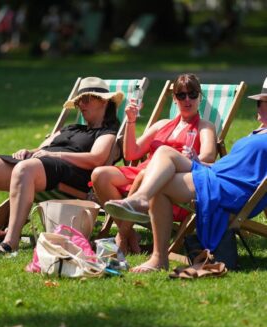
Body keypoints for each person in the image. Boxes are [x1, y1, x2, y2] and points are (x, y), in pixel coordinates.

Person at [104, 77, 267, 273]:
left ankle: (140, 200)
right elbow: (131, 153)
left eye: (263, 103)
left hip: (231, 187)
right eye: (260, 102)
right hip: (216, 175)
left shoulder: (205, 126)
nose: (259, 107)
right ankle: (159, 258)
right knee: (160, 179)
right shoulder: (258, 132)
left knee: (164, 153)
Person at [0, 77, 124, 255]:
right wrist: (29, 151)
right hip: (40, 166)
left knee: (25, 169)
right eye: (78, 101)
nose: (81, 105)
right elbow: (42, 148)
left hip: (70, 174)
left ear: (103, 101)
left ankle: (11, 241)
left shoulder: (106, 133)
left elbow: (96, 159)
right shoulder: (71, 128)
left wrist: (55, 154)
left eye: (86, 99)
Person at [92, 73, 217, 254]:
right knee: (100, 174)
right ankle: (131, 235)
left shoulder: (205, 127)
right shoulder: (162, 124)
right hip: (143, 172)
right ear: (174, 99)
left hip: (171, 180)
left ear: (200, 97)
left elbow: (208, 157)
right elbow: (131, 153)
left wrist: (192, 158)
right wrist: (131, 121)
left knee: (144, 176)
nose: (187, 99)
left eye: (192, 94)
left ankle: (121, 237)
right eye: (181, 95)